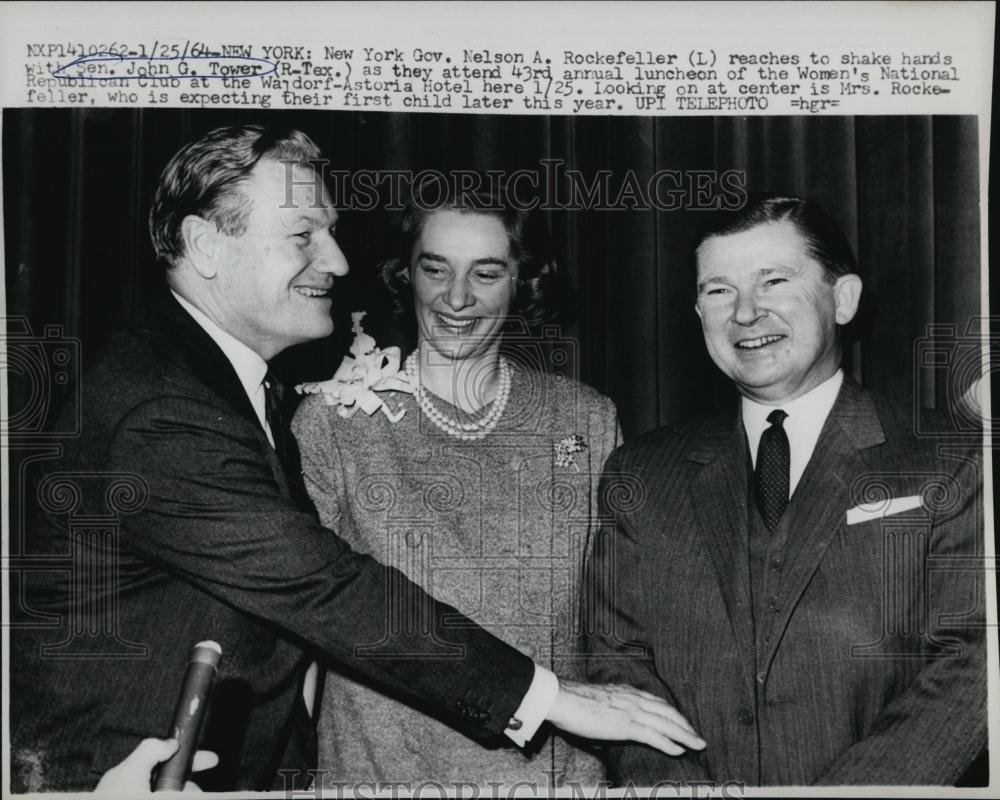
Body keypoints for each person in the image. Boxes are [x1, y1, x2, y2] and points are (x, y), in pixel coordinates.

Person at [9, 125, 703, 793]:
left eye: (332, 233)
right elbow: (327, 591)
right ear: (205, 245)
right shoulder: (163, 408)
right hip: (118, 778)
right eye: (304, 235)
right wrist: (545, 695)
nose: (337, 261)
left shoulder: (224, 385)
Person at [584, 196, 986, 786]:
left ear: (842, 299)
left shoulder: (949, 459)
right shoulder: (640, 473)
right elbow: (619, 663)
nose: (746, 313)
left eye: (773, 280)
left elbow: (970, 667)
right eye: (719, 290)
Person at [292, 194, 620, 787]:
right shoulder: (335, 422)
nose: (457, 297)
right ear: (406, 274)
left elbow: (618, 624)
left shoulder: (584, 419)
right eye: (435, 268)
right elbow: (297, 630)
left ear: (522, 283)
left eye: (487, 273)